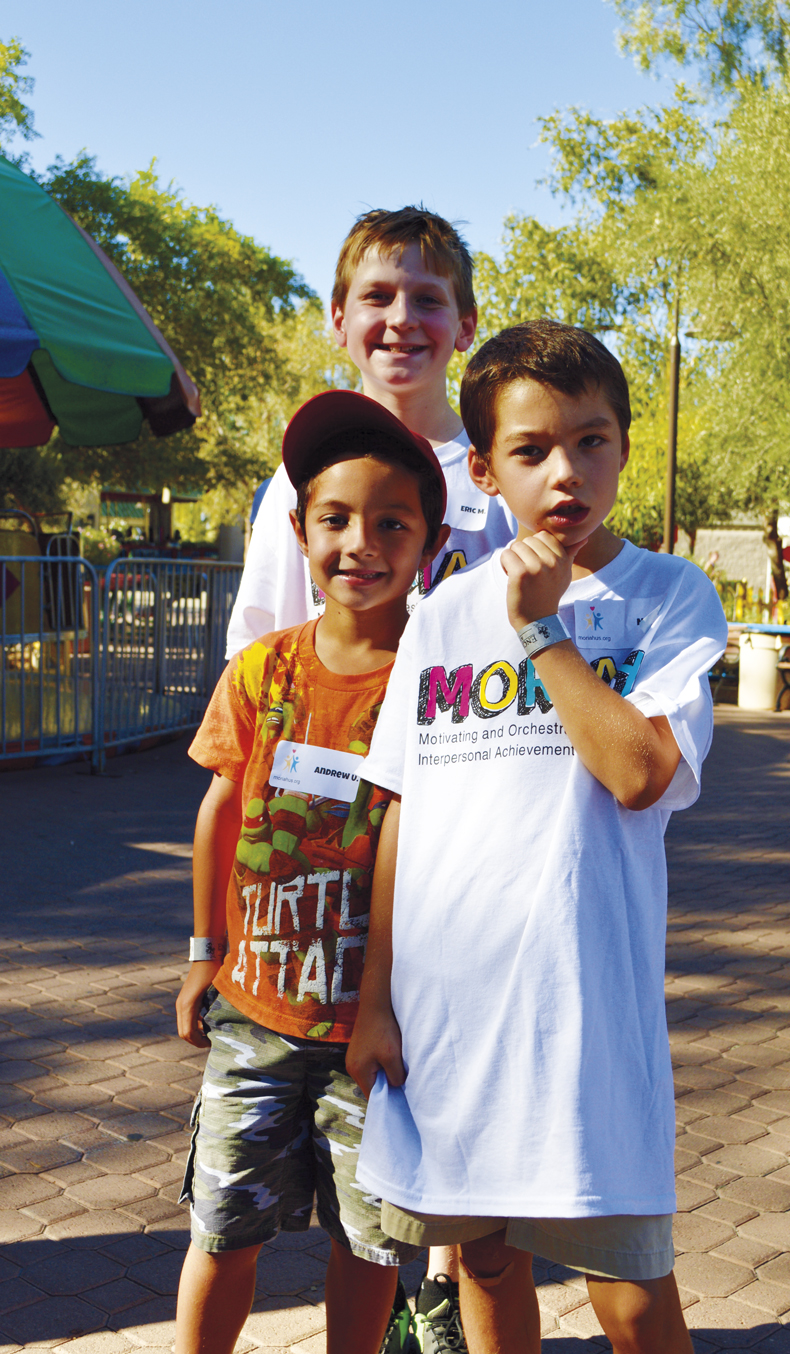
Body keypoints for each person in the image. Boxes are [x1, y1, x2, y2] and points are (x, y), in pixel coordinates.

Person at [347, 320, 729, 1354]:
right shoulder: (439, 614)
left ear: (623, 447)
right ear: (483, 468)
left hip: (585, 1022)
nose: (567, 472)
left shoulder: (667, 598)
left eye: (592, 441)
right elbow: (402, 811)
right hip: (447, 1020)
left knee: (634, 1291)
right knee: (479, 1259)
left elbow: (640, 771)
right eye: (532, 450)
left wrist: (541, 630)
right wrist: (376, 998)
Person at [173, 391, 451, 1354]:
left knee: (368, 1245)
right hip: (253, 1019)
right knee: (223, 1229)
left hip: (376, 1036)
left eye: (390, 523)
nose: (359, 544)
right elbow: (218, 808)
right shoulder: (261, 672)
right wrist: (205, 953)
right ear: (299, 531)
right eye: (334, 520)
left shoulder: (436, 683)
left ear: (430, 538)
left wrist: (391, 1007)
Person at [225, 205, 516, 658]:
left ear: (465, 327)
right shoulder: (301, 472)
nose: (402, 317)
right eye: (378, 296)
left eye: (428, 299)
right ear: (340, 322)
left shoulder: (504, 479)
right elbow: (255, 642)